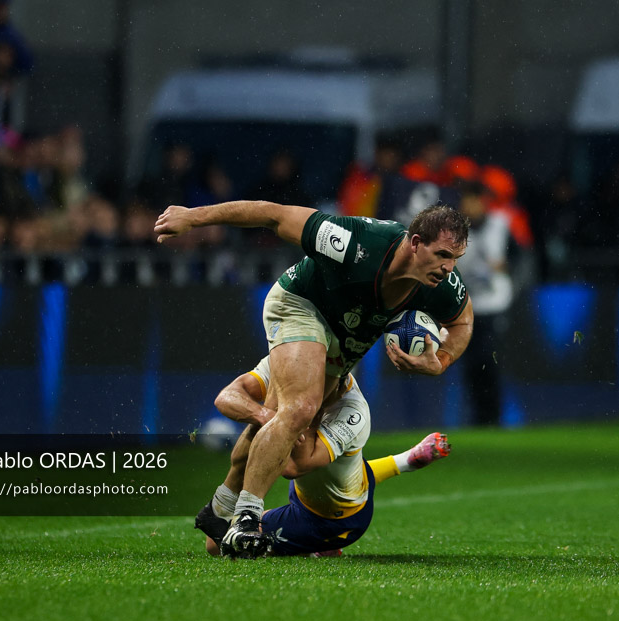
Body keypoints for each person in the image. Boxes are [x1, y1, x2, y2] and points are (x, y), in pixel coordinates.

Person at [154, 200, 474, 558]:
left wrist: (441, 362)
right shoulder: (356, 242)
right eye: (443, 254)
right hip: (300, 304)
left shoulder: (443, 285)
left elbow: (462, 322)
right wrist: (192, 217)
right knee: (301, 407)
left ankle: (219, 509)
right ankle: (247, 519)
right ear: (415, 243)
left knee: (283, 415)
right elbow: (273, 214)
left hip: (339, 339)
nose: (448, 268)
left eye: (456, 259)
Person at [196, 355, 450, 557]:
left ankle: (317, 546)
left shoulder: (354, 412)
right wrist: (268, 417)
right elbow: (225, 398)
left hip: (333, 519)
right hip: (328, 486)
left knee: (215, 546)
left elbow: (293, 467)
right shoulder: (289, 361)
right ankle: (406, 460)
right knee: (339, 468)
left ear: (340, 380)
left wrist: (299, 414)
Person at [456, 181, 513, 425]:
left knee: (488, 360)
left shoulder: (500, 225)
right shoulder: (455, 232)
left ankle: (493, 416)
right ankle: (479, 417)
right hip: (468, 305)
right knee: (470, 365)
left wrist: (509, 269)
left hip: (495, 302)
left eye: (473, 200)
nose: (469, 206)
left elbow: (522, 258)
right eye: (465, 201)